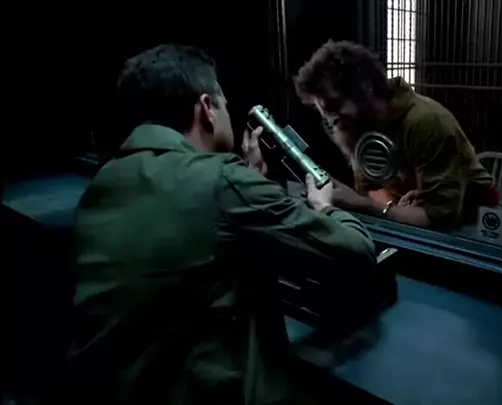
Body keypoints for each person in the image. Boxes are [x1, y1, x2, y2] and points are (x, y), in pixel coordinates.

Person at [67, 45, 376, 405]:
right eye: (224, 104)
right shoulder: (223, 182)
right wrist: (322, 207)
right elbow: (355, 250)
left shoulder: (105, 181)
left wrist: (245, 181)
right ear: (206, 108)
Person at [295, 41, 500, 229]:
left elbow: (440, 218)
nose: (332, 121)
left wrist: (365, 205)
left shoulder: (426, 121)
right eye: (324, 113)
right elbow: (370, 190)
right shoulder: (358, 126)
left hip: (479, 224)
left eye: (335, 105)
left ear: (366, 89)